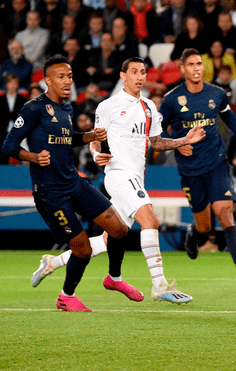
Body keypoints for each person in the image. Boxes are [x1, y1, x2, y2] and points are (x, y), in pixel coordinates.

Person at [30, 57, 206, 303]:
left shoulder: (149, 107)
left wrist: (184, 140)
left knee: (108, 238)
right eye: (134, 72)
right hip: (118, 174)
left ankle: (54, 262)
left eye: (143, 72)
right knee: (150, 220)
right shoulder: (108, 106)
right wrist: (95, 153)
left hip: (136, 178)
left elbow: (157, 143)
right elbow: (95, 138)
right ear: (123, 76)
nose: (140, 76)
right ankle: (160, 286)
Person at [2, 55, 135, 312]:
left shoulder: (67, 108)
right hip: (50, 192)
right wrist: (33, 157)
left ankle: (114, 279)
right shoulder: (33, 108)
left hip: (74, 182)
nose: (67, 81)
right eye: (61, 76)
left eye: (70, 76)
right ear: (47, 81)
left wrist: (88, 137)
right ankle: (66, 296)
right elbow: (8, 145)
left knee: (119, 229)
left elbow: (64, 139)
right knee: (83, 250)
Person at [158, 48, 236, 292]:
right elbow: (158, 133)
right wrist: (178, 145)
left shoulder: (217, 93)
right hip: (191, 169)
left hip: (216, 162)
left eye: (199, 64)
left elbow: (229, 117)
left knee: (225, 212)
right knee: (205, 226)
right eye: (191, 64)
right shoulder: (171, 99)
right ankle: (194, 231)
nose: (196, 68)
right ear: (183, 69)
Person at [0, 75, 28, 164]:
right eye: (10, 83)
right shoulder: (1, 99)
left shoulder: (22, 100)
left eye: (14, 83)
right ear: (6, 84)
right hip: (2, 132)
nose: (12, 85)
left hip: (18, 131)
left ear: (18, 85)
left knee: (23, 153)